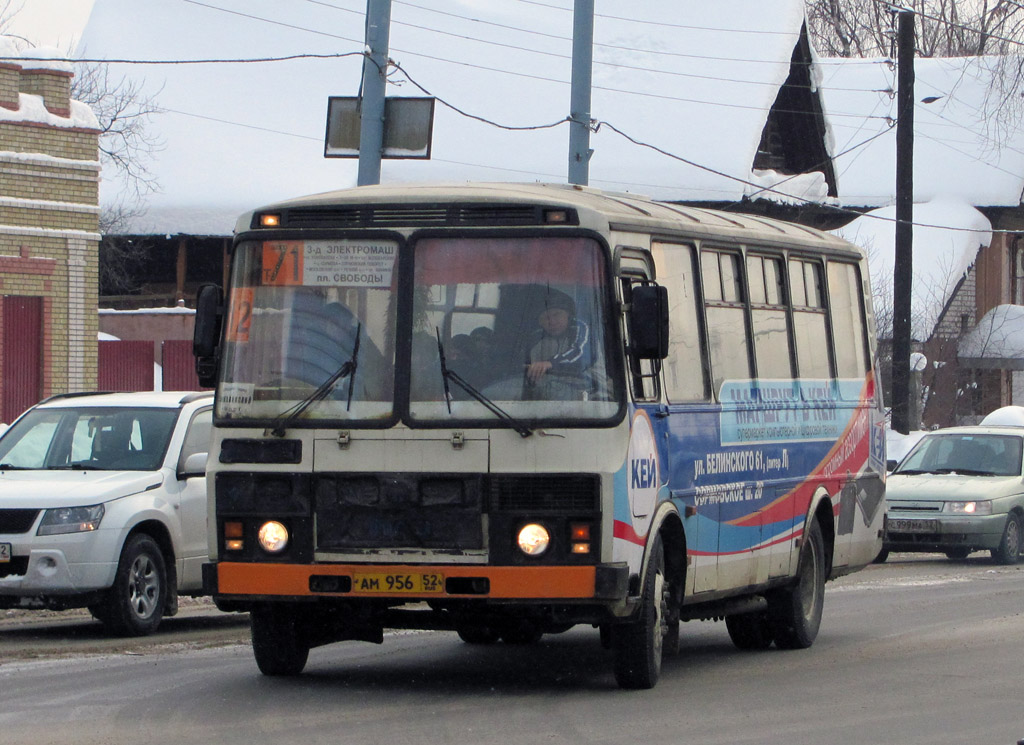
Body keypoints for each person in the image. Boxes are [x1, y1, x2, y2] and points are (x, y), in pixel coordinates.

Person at [524, 289, 595, 399]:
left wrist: (550, 364)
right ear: (540, 322)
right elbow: (520, 366)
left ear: (568, 315)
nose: (552, 322)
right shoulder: (534, 338)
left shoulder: (581, 328)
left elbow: (582, 357)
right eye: (546, 318)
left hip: (589, 391)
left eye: (557, 314)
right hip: (544, 393)